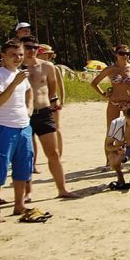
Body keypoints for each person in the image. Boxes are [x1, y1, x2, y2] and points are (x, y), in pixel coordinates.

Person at [0, 39, 34, 222]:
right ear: (3, 56)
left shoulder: (21, 75)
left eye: (20, 54)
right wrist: (13, 83)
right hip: (3, 127)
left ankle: (19, 204)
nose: (18, 58)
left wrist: (30, 108)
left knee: (23, 167)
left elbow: (29, 91)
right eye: (13, 54)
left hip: (23, 126)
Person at [22, 37, 76, 198]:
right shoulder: (16, 68)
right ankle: (28, 192)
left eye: (35, 47)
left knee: (53, 153)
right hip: (22, 115)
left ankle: (62, 189)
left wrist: (55, 103)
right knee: (26, 155)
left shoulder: (46, 66)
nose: (32, 50)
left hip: (43, 112)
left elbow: (52, 89)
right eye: (28, 47)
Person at [91, 44, 130, 163]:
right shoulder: (110, 69)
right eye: (121, 53)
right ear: (116, 54)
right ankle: (109, 160)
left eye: (127, 53)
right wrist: (104, 94)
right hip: (114, 102)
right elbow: (94, 83)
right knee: (111, 130)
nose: (125, 56)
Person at [36, 44, 65, 157]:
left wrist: (62, 100)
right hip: (41, 102)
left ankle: (60, 154)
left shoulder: (53, 67)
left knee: (56, 127)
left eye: (49, 54)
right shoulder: (35, 67)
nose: (48, 56)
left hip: (53, 100)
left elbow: (60, 85)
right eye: (46, 54)